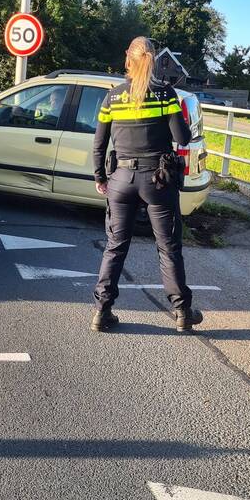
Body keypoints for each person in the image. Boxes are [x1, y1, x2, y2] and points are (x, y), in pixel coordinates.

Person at [90, 36, 202, 333]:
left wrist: (100, 177)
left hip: (121, 180)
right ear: (152, 60)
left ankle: (102, 311)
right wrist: (176, 111)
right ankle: (181, 313)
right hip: (158, 181)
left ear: (128, 59)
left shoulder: (112, 96)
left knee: (114, 247)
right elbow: (182, 138)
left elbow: (99, 144)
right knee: (168, 248)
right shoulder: (165, 95)